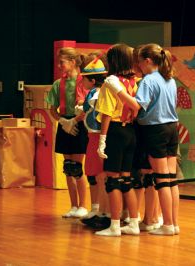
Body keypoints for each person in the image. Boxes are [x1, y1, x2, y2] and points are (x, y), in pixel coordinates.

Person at [108, 43, 180, 235]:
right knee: (171, 180)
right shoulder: (169, 79)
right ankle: (173, 224)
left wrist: (117, 90)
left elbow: (136, 106)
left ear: (147, 61)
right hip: (173, 128)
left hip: (156, 130)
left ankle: (167, 226)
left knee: (162, 180)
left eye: (139, 62)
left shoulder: (149, 81)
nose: (138, 66)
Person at [94, 44, 140, 236]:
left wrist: (102, 140)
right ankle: (134, 223)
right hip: (130, 131)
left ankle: (114, 225)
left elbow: (106, 114)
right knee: (127, 179)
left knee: (112, 180)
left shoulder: (110, 84)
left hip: (114, 132)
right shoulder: (133, 82)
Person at [46, 47, 89, 218]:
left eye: (62, 62)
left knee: (78, 168)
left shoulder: (84, 82)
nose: (59, 65)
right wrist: (63, 121)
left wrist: (74, 121)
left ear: (72, 62)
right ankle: (73, 206)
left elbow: (88, 108)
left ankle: (83, 206)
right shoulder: (58, 84)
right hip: (65, 125)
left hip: (80, 125)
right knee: (68, 167)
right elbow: (52, 108)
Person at [77, 53, 110, 229]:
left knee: (97, 174)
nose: (82, 82)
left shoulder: (94, 94)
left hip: (96, 136)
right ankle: (97, 209)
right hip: (94, 135)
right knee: (94, 174)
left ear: (91, 80)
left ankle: (101, 211)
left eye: (84, 79)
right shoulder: (100, 91)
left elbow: (85, 107)